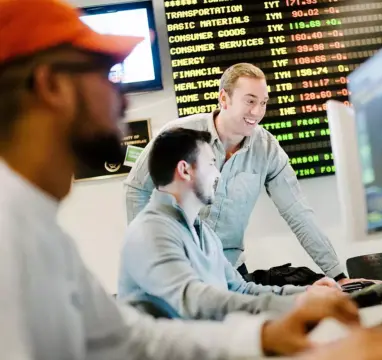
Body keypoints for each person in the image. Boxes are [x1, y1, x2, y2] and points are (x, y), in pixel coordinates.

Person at [0, 0, 361, 358]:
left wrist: (271, 331)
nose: (124, 101)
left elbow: (129, 338)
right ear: (52, 87)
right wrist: (152, 237)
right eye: (106, 75)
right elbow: (187, 301)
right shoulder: (13, 235)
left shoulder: (42, 232)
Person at [124, 62, 362, 285]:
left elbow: (298, 213)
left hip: (230, 271)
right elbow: (136, 188)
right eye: (250, 101)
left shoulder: (267, 149)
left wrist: (338, 276)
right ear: (224, 99)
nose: (257, 112)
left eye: (264, 102)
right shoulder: (178, 135)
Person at [118, 127, 342, 320]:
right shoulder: (151, 232)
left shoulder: (204, 234)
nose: (218, 174)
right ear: (185, 170)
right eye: (211, 164)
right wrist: (298, 305)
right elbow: (194, 302)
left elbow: (240, 289)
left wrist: (307, 293)